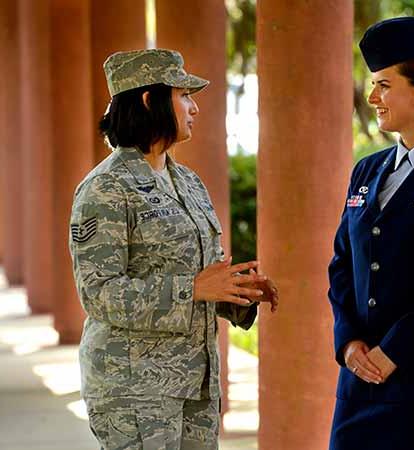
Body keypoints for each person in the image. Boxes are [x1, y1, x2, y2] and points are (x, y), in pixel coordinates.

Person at [69, 49, 278, 450]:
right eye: (184, 96)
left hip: (194, 383)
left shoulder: (188, 182)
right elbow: (100, 294)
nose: (195, 107)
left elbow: (202, 277)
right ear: (150, 100)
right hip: (134, 391)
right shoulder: (106, 188)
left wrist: (236, 293)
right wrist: (193, 289)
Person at [327, 17, 414, 450]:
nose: (371, 98)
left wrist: (396, 349)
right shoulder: (366, 170)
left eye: (384, 85)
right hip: (359, 385)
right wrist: (349, 342)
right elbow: (342, 263)